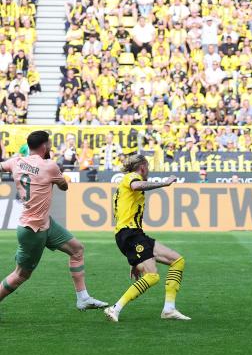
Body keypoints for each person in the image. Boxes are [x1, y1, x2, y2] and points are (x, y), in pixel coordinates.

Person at [0, 131, 108, 312]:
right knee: (21, 274)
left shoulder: (16, 161)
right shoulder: (49, 166)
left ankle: (83, 298)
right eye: (49, 144)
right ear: (44, 146)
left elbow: (2, 166)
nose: (51, 146)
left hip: (44, 224)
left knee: (77, 249)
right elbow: (64, 186)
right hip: (33, 229)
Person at [104, 155, 190, 322]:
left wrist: (135, 260)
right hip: (129, 234)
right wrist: (164, 183)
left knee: (177, 261)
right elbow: (137, 185)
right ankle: (115, 308)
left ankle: (169, 309)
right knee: (152, 276)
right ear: (142, 167)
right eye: (147, 167)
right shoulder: (131, 177)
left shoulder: (126, 182)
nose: (148, 171)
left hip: (134, 234)